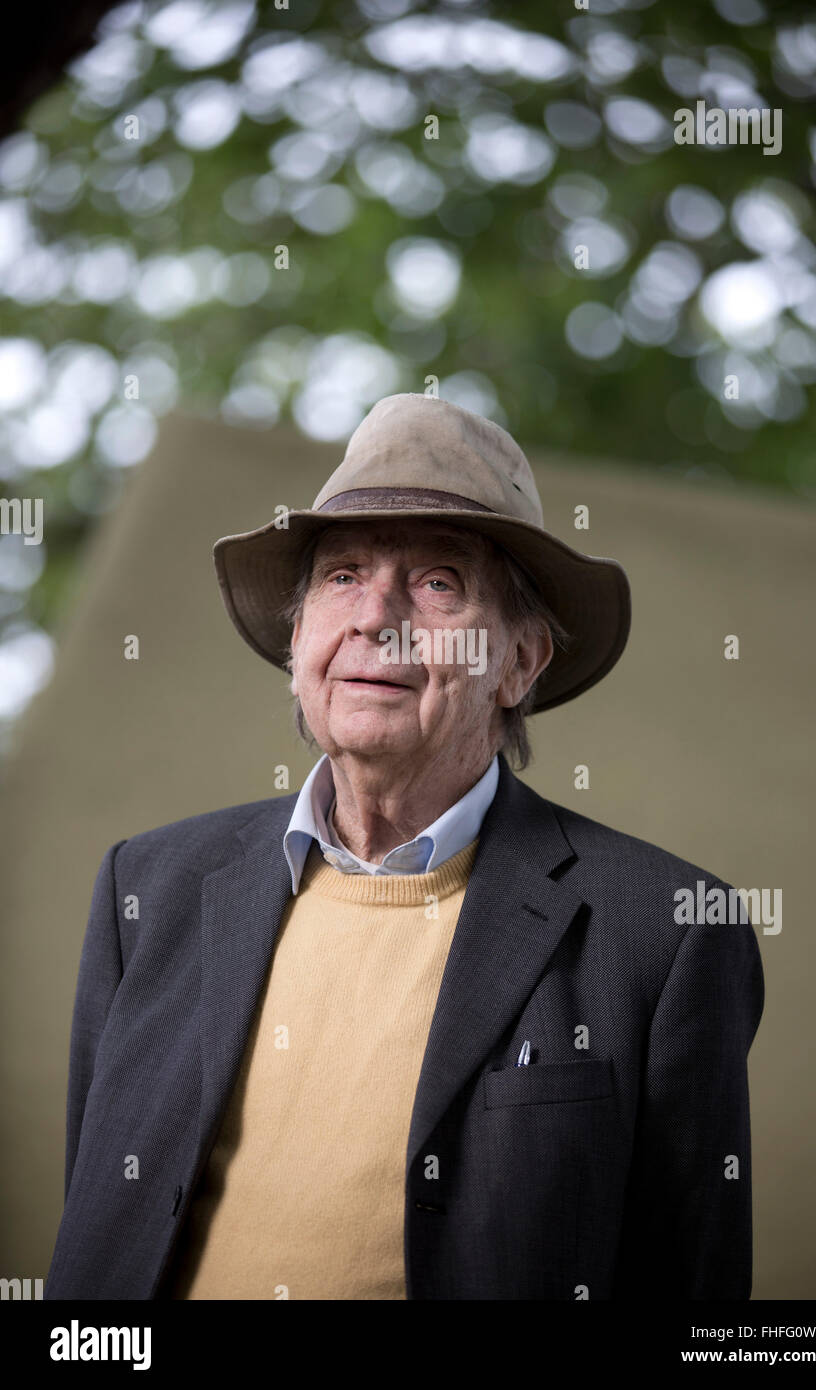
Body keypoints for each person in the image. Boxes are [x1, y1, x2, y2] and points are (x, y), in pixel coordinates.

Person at [45, 392, 763, 1300]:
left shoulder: (664, 932)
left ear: (519, 662)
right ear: (300, 637)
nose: (375, 615)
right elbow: (101, 1226)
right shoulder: (146, 887)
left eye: (438, 583)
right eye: (342, 576)